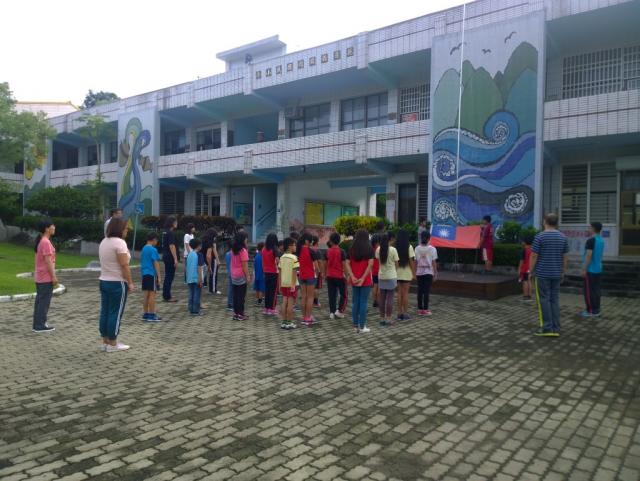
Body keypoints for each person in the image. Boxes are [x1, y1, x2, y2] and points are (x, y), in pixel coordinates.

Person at [530, 213, 569, 337]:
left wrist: (530, 271)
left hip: (542, 274)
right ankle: (556, 327)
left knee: (544, 300)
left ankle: (547, 328)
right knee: (554, 300)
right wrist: (563, 271)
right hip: (556, 274)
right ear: (556, 223)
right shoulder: (563, 237)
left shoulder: (540, 237)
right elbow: (565, 257)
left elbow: (534, 255)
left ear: (544, 222)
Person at [99, 218, 134, 352]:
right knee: (115, 313)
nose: (127, 231)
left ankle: (105, 341)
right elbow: (124, 265)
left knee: (105, 311)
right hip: (117, 282)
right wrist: (130, 282)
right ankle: (113, 343)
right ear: (120, 229)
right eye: (125, 228)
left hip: (104, 280)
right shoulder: (120, 243)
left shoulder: (104, 242)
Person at [32, 218, 58, 333]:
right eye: (52, 225)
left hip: (40, 276)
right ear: (47, 229)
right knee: (43, 302)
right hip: (45, 277)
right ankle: (39, 325)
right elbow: (48, 261)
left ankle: (38, 323)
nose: (54, 227)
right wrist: (53, 276)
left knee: (40, 301)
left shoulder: (42, 241)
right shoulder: (45, 242)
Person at [347, 229, 374, 333]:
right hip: (365, 279)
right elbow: (370, 265)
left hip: (354, 279)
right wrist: (363, 278)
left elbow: (347, 263)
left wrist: (352, 276)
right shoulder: (369, 249)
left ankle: (355, 325)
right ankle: (362, 326)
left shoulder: (351, 248)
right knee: (363, 302)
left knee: (355, 302)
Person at [581, 221, 605, 318]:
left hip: (590, 270)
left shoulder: (591, 240)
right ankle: (596, 310)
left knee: (588, 292)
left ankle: (590, 311)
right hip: (598, 269)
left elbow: (588, 256)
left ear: (593, 228)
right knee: (596, 291)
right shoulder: (601, 240)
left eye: (589, 227)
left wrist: (584, 269)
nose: (588, 229)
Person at [376, 233, 399, 326]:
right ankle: (388, 319)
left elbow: (378, 261)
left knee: (382, 298)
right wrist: (395, 272)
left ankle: (382, 318)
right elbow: (397, 264)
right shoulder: (393, 250)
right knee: (390, 298)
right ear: (390, 239)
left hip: (381, 276)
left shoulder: (378, 249)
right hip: (391, 276)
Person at [140, 232, 162, 322]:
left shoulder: (144, 248)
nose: (157, 242)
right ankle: (152, 315)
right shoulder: (153, 250)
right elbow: (156, 263)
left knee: (146, 295)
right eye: (157, 240)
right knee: (152, 295)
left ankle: (145, 314)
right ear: (154, 239)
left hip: (144, 274)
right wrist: (159, 276)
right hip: (151, 274)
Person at [325, 232, 348, 320]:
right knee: (344, 295)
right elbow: (344, 265)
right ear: (339, 241)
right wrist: (347, 275)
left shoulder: (327, 251)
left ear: (330, 241)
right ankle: (339, 311)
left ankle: (332, 312)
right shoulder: (341, 251)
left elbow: (325, 264)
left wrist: (324, 274)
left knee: (332, 295)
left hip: (330, 275)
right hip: (340, 276)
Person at [415, 230, 438, 316]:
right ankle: (425, 309)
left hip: (419, 271)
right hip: (429, 272)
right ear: (429, 238)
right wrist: (435, 273)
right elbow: (434, 262)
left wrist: (414, 272)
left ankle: (419, 309)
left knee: (420, 291)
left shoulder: (417, 248)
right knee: (426, 291)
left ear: (421, 238)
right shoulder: (432, 249)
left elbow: (415, 262)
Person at [395, 229, 416, 321]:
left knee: (399, 293)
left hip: (397, 273)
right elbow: (411, 261)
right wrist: (414, 273)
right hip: (406, 273)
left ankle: (399, 313)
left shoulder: (394, 247)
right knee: (406, 293)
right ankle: (405, 313)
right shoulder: (409, 246)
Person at [279, 237, 299, 330]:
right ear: (290, 246)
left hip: (284, 283)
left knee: (284, 302)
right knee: (290, 303)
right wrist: (293, 285)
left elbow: (280, 272)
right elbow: (294, 272)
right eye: (294, 245)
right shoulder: (294, 258)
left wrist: (280, 284)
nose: (295, 247)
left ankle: (283, 322)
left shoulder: (282, 257)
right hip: (291, 283)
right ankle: (289, 322)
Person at [297, 232, 317, 326]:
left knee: (304, 296)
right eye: (310, 240)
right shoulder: (311, 251)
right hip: (310, 276)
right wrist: (318, 273)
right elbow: (316, 266)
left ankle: (303, 317)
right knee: (310, 297)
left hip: (301, 276)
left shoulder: (298, 250)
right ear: (306, 241)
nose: (311, 242)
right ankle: (308, 318)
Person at [230, 231, 251, 320]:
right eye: (246, 238)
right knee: (241, 296)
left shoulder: (233, 250)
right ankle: (240, 314)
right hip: (241, 275)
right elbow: (244, 266)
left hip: (234, 275)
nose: (247, 240)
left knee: (236, 295)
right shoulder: (243, 251)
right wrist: (248, 276)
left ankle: (236, 313)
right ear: (243, 239)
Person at [161, 216, 179, 302]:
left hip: (165, 256)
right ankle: (167, 296)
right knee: (169, 276)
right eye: (176, 222)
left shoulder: (165, 232)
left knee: (167, 276)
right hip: (170, 257)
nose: (177, 223)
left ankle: (166, 295)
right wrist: (175, 259)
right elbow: (172, 246)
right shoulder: (170, 233)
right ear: (172, 223)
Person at [262, 233, 280, 316]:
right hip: (274, 272)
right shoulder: (275, 249)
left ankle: (266, 308)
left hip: (266, 272)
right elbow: (278, 261)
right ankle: (272, 309)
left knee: (267, 291)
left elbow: (263, 261)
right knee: (273, 291)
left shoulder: (264, 249)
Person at [186, 238, 203, 316]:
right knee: (197, 294)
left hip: (189, 278)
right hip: (196, 278)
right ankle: (196, 310)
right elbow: (199, 267)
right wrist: (200, 279)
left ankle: (191, 309)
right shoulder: (199, 255)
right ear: (198, 246)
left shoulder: (189, 254)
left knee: (191, 294)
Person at [203, 228, 221, 295]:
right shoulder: (211, 241)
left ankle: (212, 289)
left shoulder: (204, 240)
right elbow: (214, 251)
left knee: (211, 274)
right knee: (213, 275)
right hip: (212, 259)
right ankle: (213, 290)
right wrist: (218, 260)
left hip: (205, 259)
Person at [518, 235, 533, 302]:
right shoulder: (533, 249)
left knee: (525, 282)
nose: (521, 242)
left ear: (525, 242)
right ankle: (530, 296)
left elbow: (521, 261)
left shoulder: (524, 250)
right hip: (531, 268)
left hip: (525, 268)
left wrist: (519, 269)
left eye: (522, 241)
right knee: (530, 281)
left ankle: (525, 296)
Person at [311, 235, 323, 308]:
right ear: (317, 242)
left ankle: (310, 301)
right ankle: (315, 302)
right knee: (316, 287)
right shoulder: (317, 251)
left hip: (309, 271)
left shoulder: (308, 250)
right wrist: (321, 271)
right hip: (316, 271)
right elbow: (320, 262)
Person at [254, 242, 265, 307]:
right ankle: (260, 300)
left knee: (257, 288)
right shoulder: (261, 256)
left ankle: (257, 299)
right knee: (261, 288)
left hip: (257, 274)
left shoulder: (257, 256)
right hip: (261, 274)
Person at [371, 234, 381, 308]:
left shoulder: (371, 249)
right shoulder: (380, 249)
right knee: (379, 286)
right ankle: (378, 301)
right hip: (380, 269)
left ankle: (375, 300)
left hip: (373, 270)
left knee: (375, 285)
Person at [225, 242, 233, 311]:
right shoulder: (233, 254)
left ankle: (229, 304)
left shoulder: (227, 254)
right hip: (234, 273)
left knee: (230, 289)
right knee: (233, 289)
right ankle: (231, 304)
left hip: (229, 272)